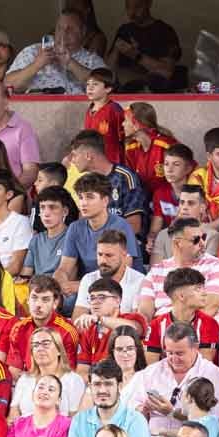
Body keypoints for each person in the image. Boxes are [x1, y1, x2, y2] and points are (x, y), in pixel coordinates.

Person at [122, 322, 219, 437]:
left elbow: (209, 423)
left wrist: (172, 413)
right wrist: (142, 410)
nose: (173, 358)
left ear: (195, 347)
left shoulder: (213, 375)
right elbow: (126, 407)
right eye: (169, 352)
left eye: (180, 353)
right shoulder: (151, 372)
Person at [55, 172, 142, 300]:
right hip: (88, 287)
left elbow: (121, 273)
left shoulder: (121, 226)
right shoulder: (75, 228)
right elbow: (64, 268)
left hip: (122, 290)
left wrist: (81, 286)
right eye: (81, 197)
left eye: (89, 197)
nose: (83, 203)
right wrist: (60, 283)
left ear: (105, 200)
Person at [66, 360, 150, 437]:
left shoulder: (136, 420)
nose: (102, 390)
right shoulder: (79, 420)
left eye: (108, 384)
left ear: (119, 386)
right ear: (90, 387)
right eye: (97, 384)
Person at [5, 9, 106, 95]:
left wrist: (71, 64)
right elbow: (8, 84)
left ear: (83, 32)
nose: (64, 33)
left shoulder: (91, 59)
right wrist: (37, 65)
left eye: (70, 29)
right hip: (35, 112)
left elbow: (105, 88)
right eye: (60, 28)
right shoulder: (32, 51)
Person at [66, 130, 147, 237]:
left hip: (123, 246)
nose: (72, 160)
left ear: (88, 155)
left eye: (74, 155)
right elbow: (83, 222)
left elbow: (134, 225)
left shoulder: (125, 177)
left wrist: (99, 236)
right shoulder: (85, 181)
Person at [9, 327, 85, 418]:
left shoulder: (73, 380)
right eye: (35, 345)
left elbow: (75, 419)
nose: (40, 349)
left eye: (46, 344)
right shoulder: (25, 379)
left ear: (59, 350)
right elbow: (13, 414)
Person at [108, 0, 183, 92]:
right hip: (124, 92)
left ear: (149, 4)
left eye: (137, 7)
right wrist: (117, 49)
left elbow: (167, 71)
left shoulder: (165, 31)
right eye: (128, 7)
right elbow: (107, 71)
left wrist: (136, 55)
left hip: (152, 93)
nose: (132, 12)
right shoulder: (124, 30)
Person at [74, 229, 145, 319]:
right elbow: (77, 320)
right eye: (100, 254)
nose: (103, 260)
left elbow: (136, 323)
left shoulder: (140, 281)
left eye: (109, 255)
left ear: (124, 254)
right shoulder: (88, 279)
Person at [122, 102, 177, 197]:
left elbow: (187, 171)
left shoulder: (166, 145)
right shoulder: (131, 148)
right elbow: (129, 180)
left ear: (136, 124)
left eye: (125, 120)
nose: (123, 124)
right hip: (143, 201)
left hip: (168, 201)